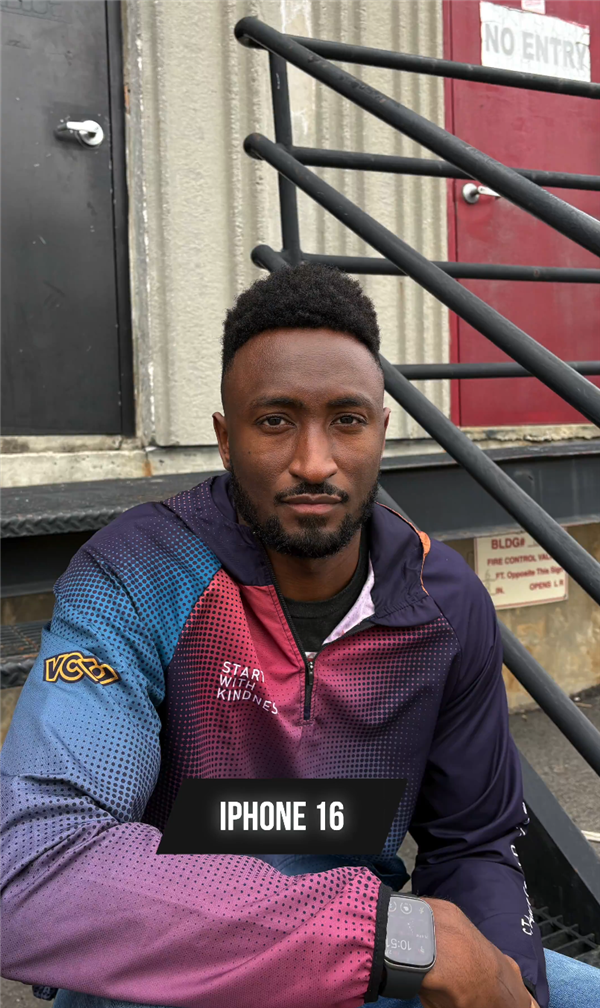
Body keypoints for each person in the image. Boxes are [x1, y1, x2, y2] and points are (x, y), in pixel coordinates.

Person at [1, 265, 598, 1008]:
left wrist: (512, 985)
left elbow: (474, 842)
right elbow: (32, 865)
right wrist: (389, 938)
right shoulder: (137, 572)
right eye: (276, 421)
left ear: (381, 433)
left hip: (374, 963)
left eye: (347, 420)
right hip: (177, 958)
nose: (314, 464)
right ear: (226, 440)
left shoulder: (446, 603)